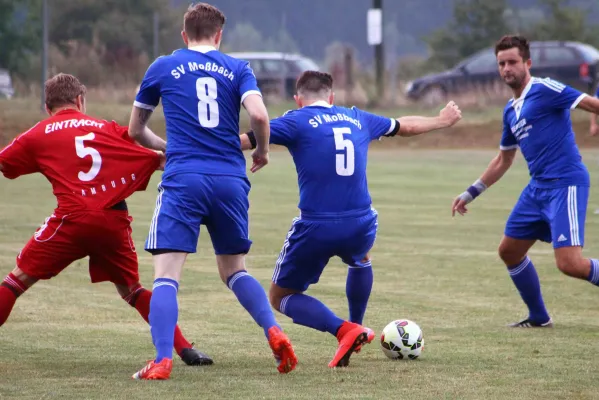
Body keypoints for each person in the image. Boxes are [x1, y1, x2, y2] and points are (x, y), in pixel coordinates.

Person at [239, 70, 462, 367]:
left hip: (317, 225)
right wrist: (441, 120)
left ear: (298, 99)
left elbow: (243, 140)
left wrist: (183, 150)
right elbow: (404, 125)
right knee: (360, 257)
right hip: (361, 222)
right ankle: (357, 325)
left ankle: (346, 329)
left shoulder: (295, 120)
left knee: (280, 297)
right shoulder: (357, 117)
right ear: (331, 97)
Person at [128, 3, 297, 380]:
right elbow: (260, 116)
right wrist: (263, 151)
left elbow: (135, 130)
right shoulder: (237, 68)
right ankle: (275, 332)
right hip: (229, 181)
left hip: (184, 178)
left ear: (183, 35)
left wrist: (167, 148)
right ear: (219, 36)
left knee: (167, 275)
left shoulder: (164, 65)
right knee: (234, 269)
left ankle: (162, 360)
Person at [0, 73, 212, 367]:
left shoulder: (38, 133)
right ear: (80, 101)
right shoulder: (107, 129)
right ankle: (186, 348)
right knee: (133, 290)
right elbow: (158, 157)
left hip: (73, 219)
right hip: (113, 219)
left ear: (48, 107)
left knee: (17, 280)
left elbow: (6, 164)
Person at [452, 35, 599, 328]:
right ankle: (539, 317)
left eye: (512, 62)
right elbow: (503, 160)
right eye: (501, 64)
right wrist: (471, 192)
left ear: (527, 63)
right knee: (509, 251)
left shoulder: (545, 88)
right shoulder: (510, 110)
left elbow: (591, 104)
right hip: (537, 189)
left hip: (565, 183)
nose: (507, 68)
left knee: (570, 264)